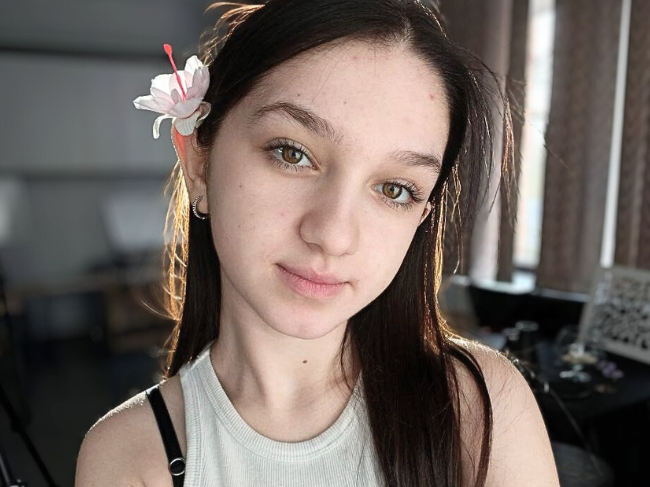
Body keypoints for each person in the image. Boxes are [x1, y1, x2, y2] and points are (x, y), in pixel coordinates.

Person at [75, 1, 559, 486]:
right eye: (292, 154)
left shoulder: (481, 407)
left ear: (420, 218)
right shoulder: (130, 455)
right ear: (200, 162)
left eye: (395, 190)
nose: (333, 236)